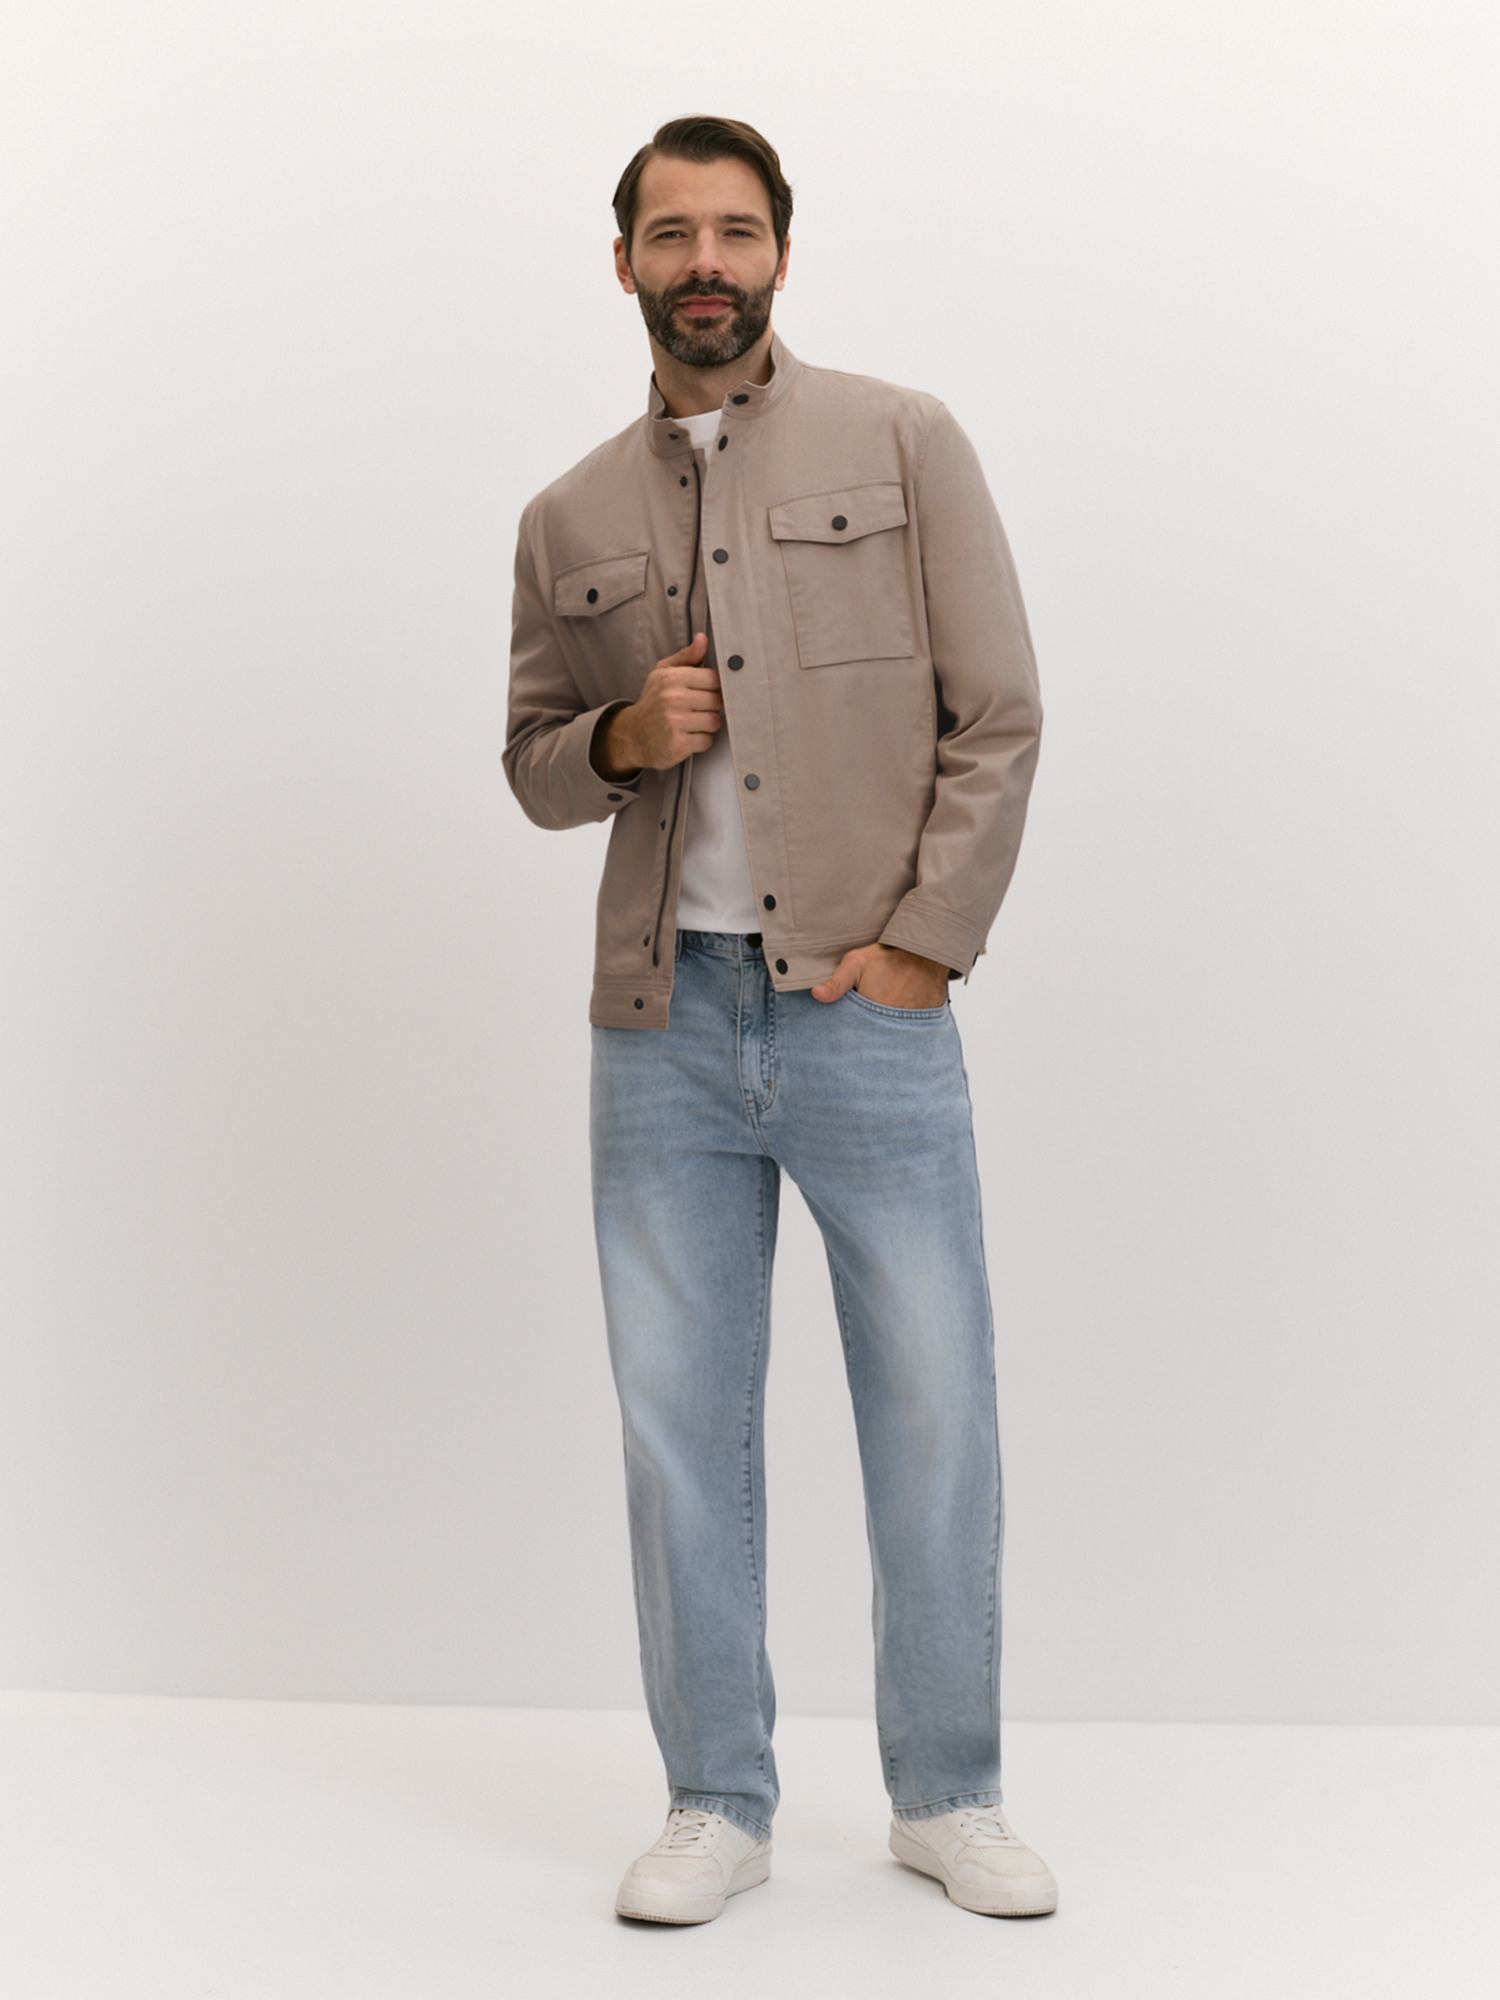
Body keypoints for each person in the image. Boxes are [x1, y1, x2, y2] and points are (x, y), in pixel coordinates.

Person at [505, 116, 1054, 1926]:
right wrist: (618, 738)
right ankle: (715, 1802)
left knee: (936, 1407)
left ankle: (949, 1792)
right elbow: (532, 764)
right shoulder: (567, 514)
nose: (705, 264)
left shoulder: (902, 440)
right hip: (659, 1023)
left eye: (735, 232)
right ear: (624, 263)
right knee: (679, 1430)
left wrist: (921, 950)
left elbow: (999, 716)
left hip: (862, 1008)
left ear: (782, 256)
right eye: (671, 235)